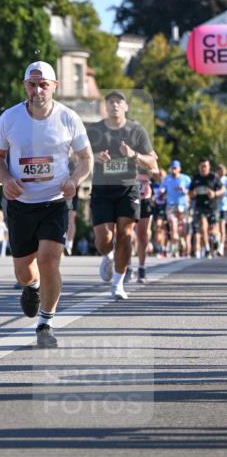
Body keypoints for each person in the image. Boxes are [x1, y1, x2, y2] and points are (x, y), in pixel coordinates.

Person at [0, 60, 92, 348]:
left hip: (54, 200)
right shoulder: (9, 118)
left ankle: (45, 323)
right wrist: (6, 179)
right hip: (21, 203)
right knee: (24, 270)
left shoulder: (68, 118)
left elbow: (86, 159)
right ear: (25, 86)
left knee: (49, 259)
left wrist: (75, 180)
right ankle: (31, 287)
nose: (37, 90)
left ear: (54, 86)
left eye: (43, 84)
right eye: (32, 84)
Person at [87, 90, 157, 300]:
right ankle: (108, 255)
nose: (114, 105)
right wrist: (94, 157)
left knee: (125, 234)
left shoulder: (135, 130)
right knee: (104, 240)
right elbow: (76, 155)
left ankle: (117, 284)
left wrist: (134, 155)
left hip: (128, 189)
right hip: (102, 189)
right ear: (105, 107)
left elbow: (153, 161)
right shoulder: (95, 130)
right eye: (110, 102)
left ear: (125, 107)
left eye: (119, 102)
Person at [189, 158, 224, 258]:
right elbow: (190, 193)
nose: (203, 168)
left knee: (212, 230)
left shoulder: (214, 177)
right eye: (202, 166)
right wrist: (193, 193)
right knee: (202, 227)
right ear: (199, 167)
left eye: (205, 166)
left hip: (212, 206)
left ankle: (216, 239)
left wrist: (215, 193)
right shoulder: (195, 178)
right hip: (200, 206)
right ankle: (207, 248)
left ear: (209, 167)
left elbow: (222, 189)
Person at [161, 160, 191, 257]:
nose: (174, 170)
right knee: (173, 225)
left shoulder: (186, 178)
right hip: (171, 206)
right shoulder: (166, 179)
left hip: (183, 205)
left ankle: (182, 241)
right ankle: (175, 248)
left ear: (179, 169)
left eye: (176, 168)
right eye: (172, 168)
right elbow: (162, 188)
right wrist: (162, 191)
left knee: (183, 229)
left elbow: (191, 192)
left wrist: (185, 190)